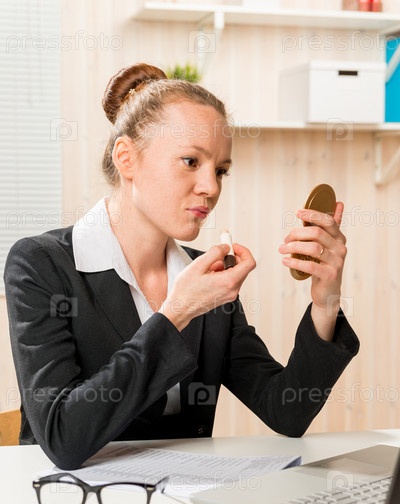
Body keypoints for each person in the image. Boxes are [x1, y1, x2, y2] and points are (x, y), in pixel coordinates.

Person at [4, 63, 359, 470]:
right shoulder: (41, 264)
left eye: (220, 170)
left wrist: (326, 299)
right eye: (191, 161)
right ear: (126, 158)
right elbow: (63, 438)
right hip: (72, 499)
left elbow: (286, 410)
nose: (211, 187)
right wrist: (176, 314)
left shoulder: (206, 276)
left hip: (184, 498)